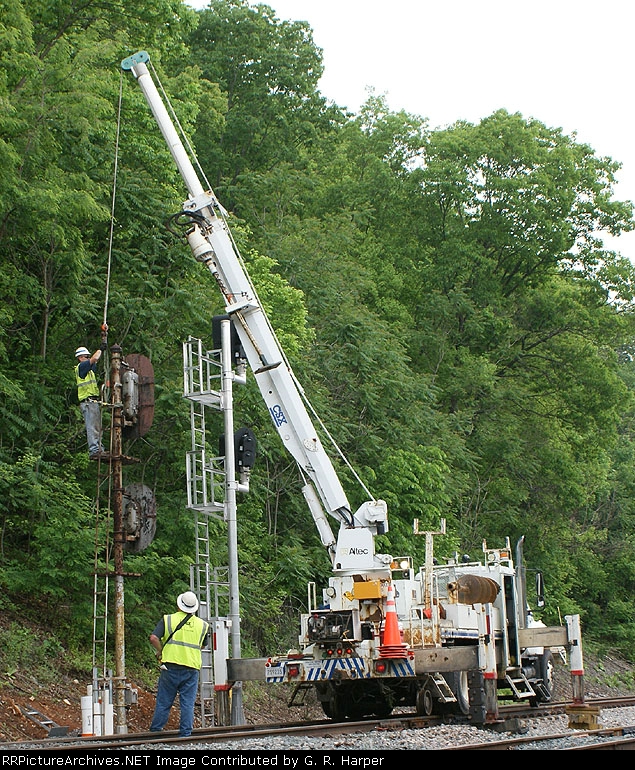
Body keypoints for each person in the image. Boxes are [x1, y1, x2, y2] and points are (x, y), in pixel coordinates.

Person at [149, 591, 210, 738]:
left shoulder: (168, 619)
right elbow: (202, 645)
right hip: (191, 669)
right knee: (187, 703)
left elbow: (153, 638)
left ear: (178, 605)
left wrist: (162, 650)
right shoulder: (203, 626)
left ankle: (156, 732)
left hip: (170, 666)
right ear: (194, 608)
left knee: (164, 701)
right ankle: (185, 734)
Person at [74, 327, 108, 459]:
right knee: (92, 426)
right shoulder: (81, 367)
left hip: (93, 401)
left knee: (97, 426)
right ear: (81, 358)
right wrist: (101, 348)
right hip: (88, 402)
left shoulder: (89, 371)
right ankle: (94, 449)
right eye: (86, 357)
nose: (88, 358)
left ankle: (99, 448)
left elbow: (95, 362)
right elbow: (94, 359)